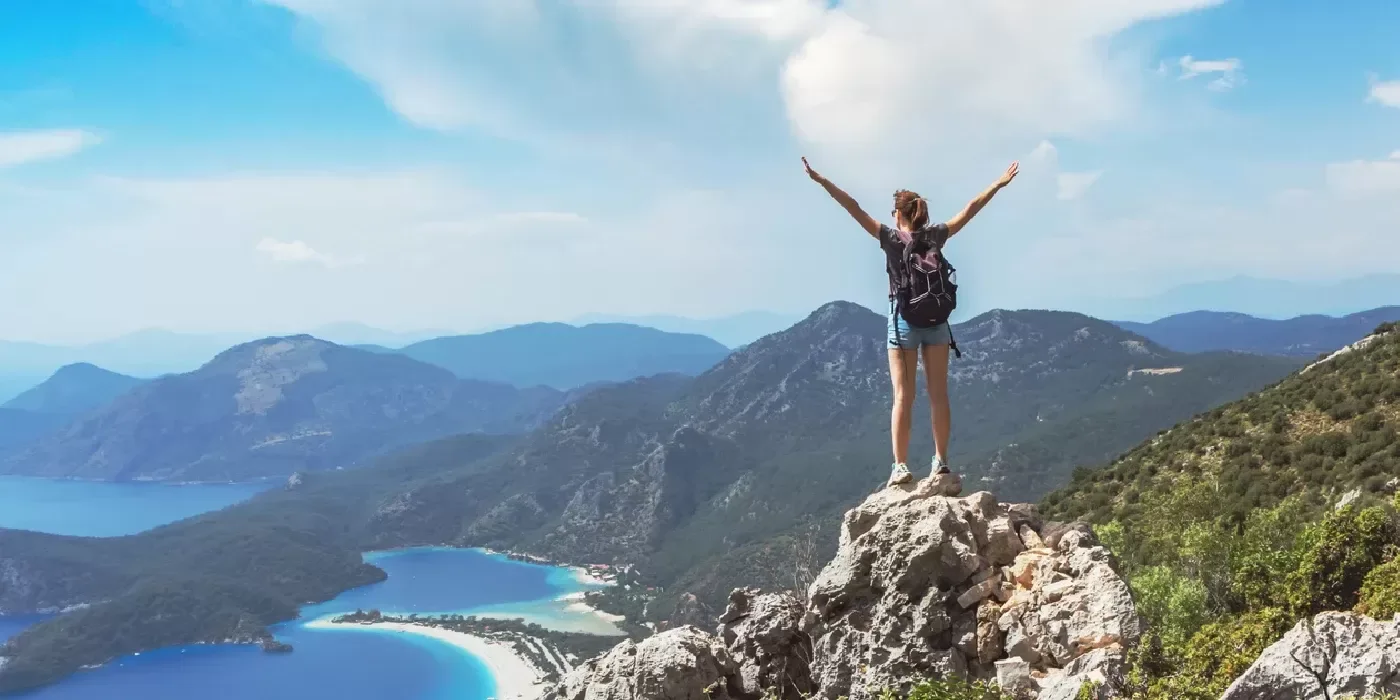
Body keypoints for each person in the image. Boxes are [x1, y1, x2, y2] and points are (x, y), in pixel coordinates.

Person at [802, 156, 1019, 486]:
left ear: (898, 214)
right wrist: (998, 184)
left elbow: (853, 206)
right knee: (939, 396)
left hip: (903, 323)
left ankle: (900, 467)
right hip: (937, 322)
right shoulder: (936, 235)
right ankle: (941, 463)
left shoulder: (889, 237)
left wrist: (821, 180)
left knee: (903, 396)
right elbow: (971, 207)